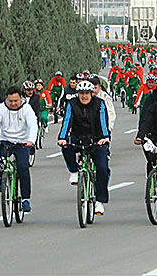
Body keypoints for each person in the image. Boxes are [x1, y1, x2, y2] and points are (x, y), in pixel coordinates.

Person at [58, 80, 112, 215]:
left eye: (87, 93)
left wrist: (105, 137)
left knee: (102, 169)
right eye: (81, 93)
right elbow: (67, 121)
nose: (84, 96)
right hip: (78, 136)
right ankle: (74, 171)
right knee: (66, 147)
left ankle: (99, 201)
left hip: (97, 138)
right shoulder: (72, 104)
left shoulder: (99, 104)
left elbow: (103, 121)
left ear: (92, 94)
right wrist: (62, 138)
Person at [0, 86, 38, 213]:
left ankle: (25, 199)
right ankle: (3, 178)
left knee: (23, 167)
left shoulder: (26, 109)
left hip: (22, 142)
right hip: (5, 140)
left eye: (15, 101)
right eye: (10, 101)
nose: (13, 103)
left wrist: (31, 140)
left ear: (21, 98)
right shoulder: (1, 108)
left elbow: (33, 125)